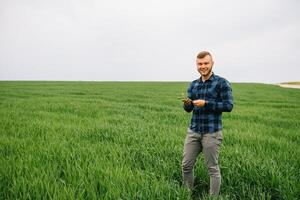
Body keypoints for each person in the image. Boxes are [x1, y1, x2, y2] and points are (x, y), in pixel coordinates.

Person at [182, 51, 233, 196]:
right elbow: (188, 109)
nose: (202, 66)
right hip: (194, 131)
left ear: (212, 63)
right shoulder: (194, 84)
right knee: (186, 165)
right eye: (200, 64)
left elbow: (228, 106)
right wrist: (187, 104)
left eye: (206, 63)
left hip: (212, 133)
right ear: (196, 65)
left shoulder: (221, 83)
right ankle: (187, 194)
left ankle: (213, 198)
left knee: (212, 168)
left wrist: (206, 103)